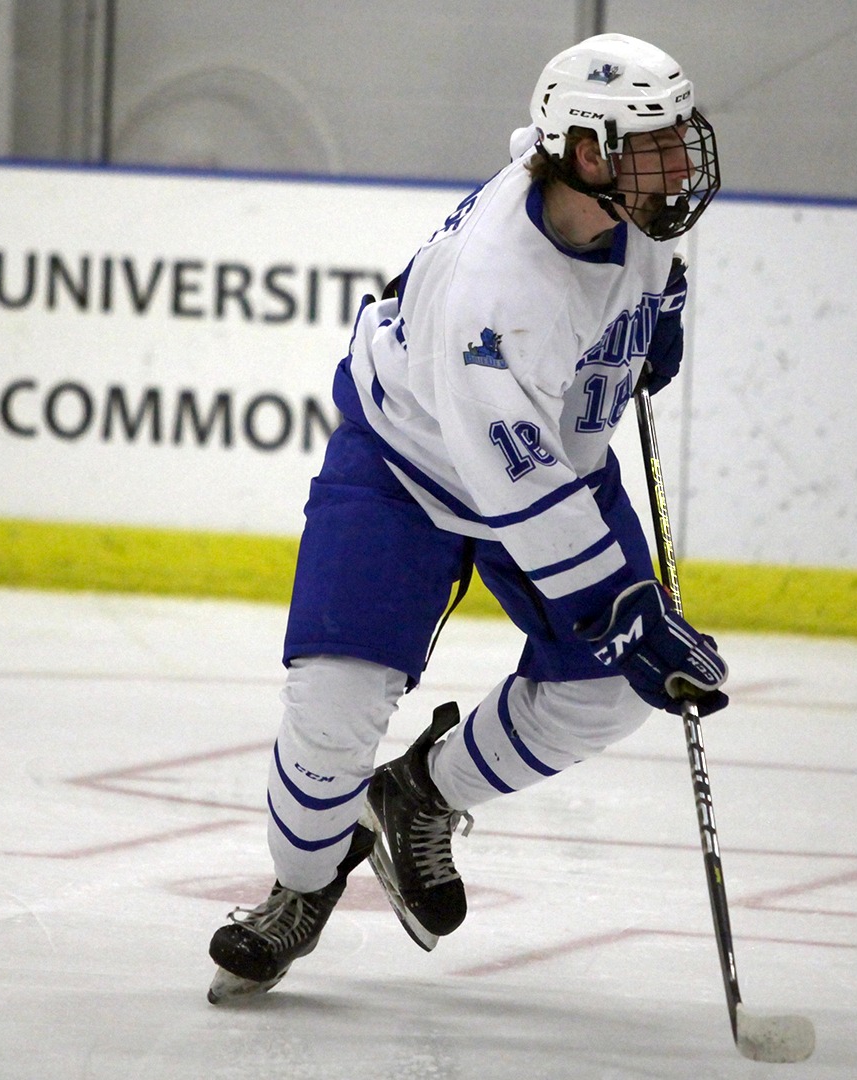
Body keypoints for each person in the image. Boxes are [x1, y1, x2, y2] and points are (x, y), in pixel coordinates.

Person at [206, 32, 730, 1001]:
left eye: (673, 137)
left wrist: (656, 317)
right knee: (332, 717)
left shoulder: (633, 214)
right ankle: (300, 889)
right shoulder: (500, 286)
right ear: (583, 152)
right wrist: (625, 605)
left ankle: (419, 797)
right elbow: (512, 482)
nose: (674, 161)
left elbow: (619, 309)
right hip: (403, 468)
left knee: (614, 692)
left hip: (553, 466)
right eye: (648, 142)